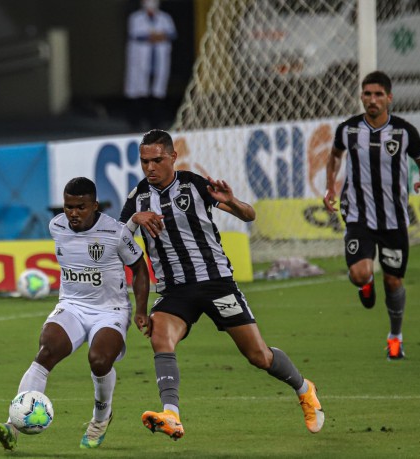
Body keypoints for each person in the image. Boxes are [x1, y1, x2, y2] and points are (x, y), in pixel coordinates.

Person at [120, 129, 325, 440]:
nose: (150, 168)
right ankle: (171, 415)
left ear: (173, 157)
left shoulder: (194, 185)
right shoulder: (138, 198)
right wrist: (135, 220)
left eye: (157, 160)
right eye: (144, 161)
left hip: (217, 284)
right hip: (176, 291)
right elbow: (118, 242)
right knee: (160, 336)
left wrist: (232, 201)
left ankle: (304, 388)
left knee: (258, 356)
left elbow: (248, 215)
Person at [0, 177, 150, 450]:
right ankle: (12, 425)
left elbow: (140, 269)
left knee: (99, 360)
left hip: (110, 310)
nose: (73, 213)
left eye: (80, 207)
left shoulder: (116, 233)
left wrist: (141, 310)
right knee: (47, 350)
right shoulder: (56, 226)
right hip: (73, 305)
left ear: (95, 206)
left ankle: (101, 418)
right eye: (68, 207)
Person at [323, 71, 420, 360]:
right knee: (359, 273)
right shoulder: (347, 130)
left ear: (389, 98)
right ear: (361, 96)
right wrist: (329, 186)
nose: (372, 100)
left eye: (378, 94)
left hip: (394, 219)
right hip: (358, 215)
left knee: (394, 281)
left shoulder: (404, 131)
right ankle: (366, 283)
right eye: (367, 94)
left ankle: (395, 336)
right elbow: (334, 157)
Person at [124, 0, 177, 130]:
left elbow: (171, 34)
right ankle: (137, 122)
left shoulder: (165, 18)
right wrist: (156, 37)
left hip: (158, 59)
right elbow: (137, 35)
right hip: (141, 60)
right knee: (139, 90)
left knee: (158, 91)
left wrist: (155, 37)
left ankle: (156, 122)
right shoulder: (135, 18)